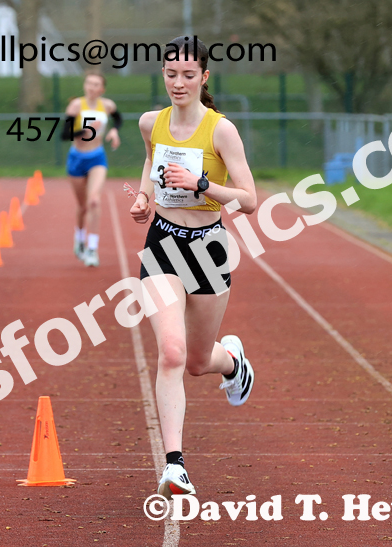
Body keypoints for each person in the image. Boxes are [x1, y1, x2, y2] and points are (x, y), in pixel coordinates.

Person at [129, 36, 257, 498]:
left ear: (204, 78)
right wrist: (145, 197)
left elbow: (250, 200)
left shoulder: (221, 130)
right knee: (172, 354)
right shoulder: (151, 123)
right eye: (170, 74)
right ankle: (175, 464)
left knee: (200, 361)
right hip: (163, 243)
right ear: (162, 75)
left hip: (208, 247)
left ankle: (232, 362)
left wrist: (203, 184)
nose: (178, 83)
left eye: (188, 75)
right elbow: (149, 162)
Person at [61, 73, 122, 267]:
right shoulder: (76, 106)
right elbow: (64, 134)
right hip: (77, 159)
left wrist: (114, 130)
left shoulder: (108, 105)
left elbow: (118, 119)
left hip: (97, 157)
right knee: (83, 206)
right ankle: (79, 238)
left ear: (102, 89)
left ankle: (92, 249)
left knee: (94, 201)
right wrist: (84, 131)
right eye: (89, 83)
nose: (91, 87)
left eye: (96, 84)